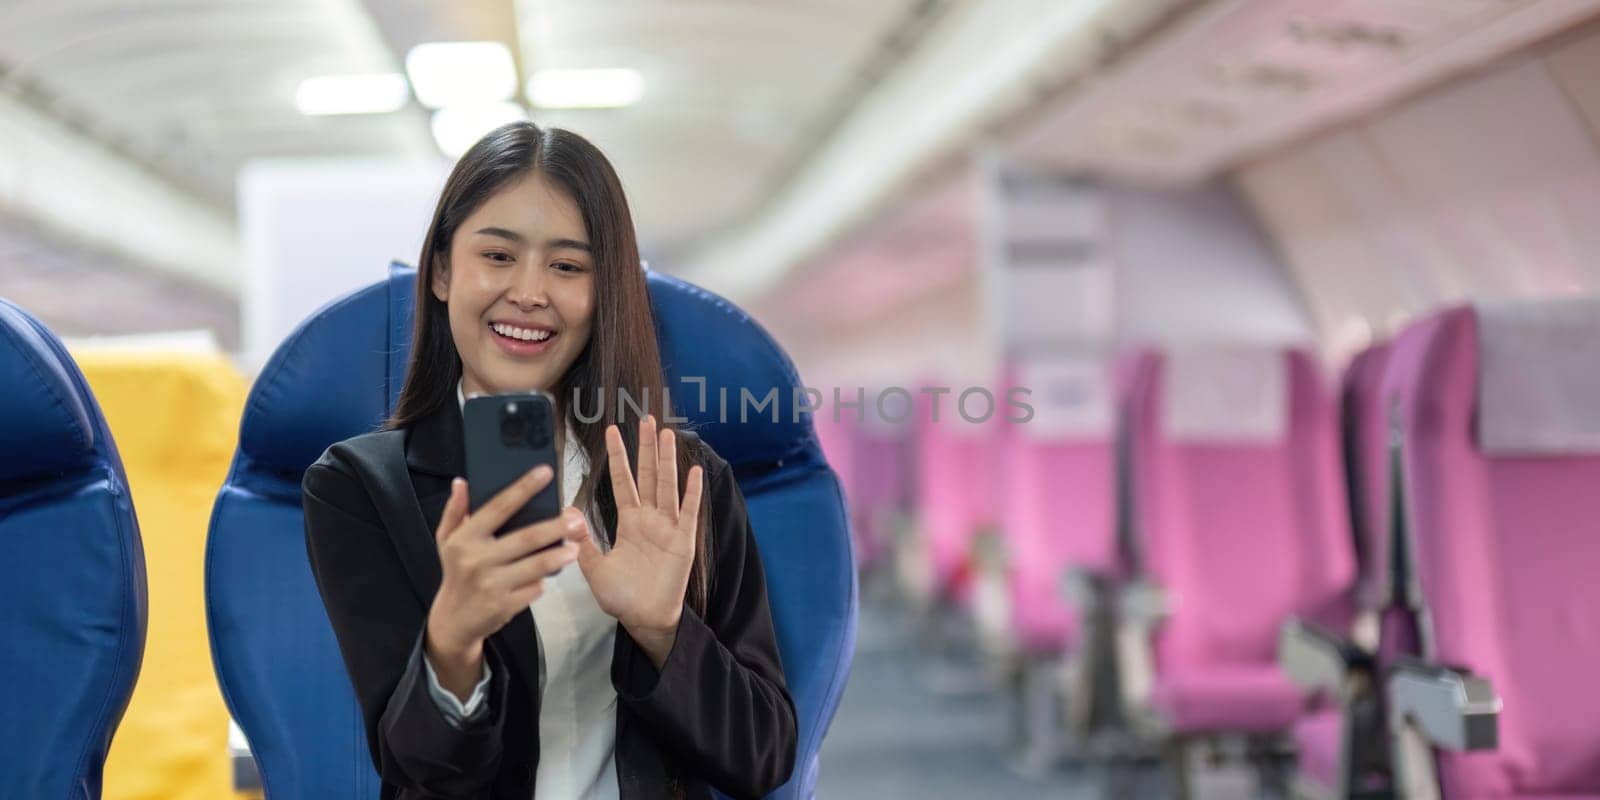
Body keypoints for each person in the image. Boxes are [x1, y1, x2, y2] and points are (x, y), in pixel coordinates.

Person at [301, 121, 798, 800]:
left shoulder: (679, 479)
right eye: (498, 256)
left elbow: (763, 756)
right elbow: (418, 771)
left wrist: (662, 630)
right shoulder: (362, 490)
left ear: (603, 295)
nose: (530, 292)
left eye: (568, 266)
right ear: (443, 271)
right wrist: (452, 644)